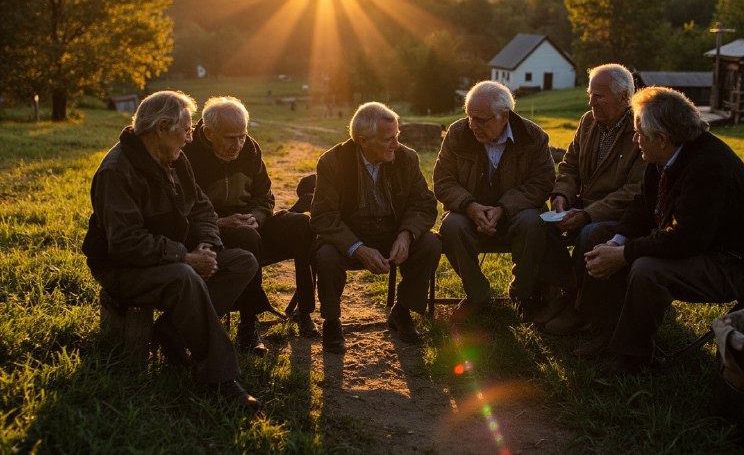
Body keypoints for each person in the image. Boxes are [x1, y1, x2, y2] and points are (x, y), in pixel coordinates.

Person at [82, 90, 260, 411]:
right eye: (187, 130)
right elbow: (124, 243)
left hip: (167, 259)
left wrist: (206, 246)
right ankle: (220, 378)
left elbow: (202, 210)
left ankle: (171, 331)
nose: (190, 139)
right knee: (183, 277)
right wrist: (185, 257)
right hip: (122, 270)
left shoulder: (174, 158)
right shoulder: (117, 171)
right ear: (162, 127)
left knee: (242, 262)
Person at [580, 87, 744, 374]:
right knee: (598, 236)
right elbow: (642, 207)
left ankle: (632, 360)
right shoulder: (660, 156)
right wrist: (616, 241)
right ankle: (606, 331)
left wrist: (623, 254)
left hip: (731, 264)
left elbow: (686, 240)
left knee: (648, 269)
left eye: (639, 134)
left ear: (662, 138)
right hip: (697, 247)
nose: (635, 140)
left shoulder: (710, 167)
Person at [183, 96, 318, 356]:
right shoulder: (188, 155)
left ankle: (304, 311)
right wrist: (221, 223)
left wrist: (257, 216)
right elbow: (183, 211)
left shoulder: (250, 149)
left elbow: (264, 196)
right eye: (231, 138)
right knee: (247, 236)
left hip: (250, 221)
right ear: (209, 133)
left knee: (302, 226)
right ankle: (249, 324)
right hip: (210, 229)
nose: (239, 144)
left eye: (243, 135)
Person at [310, 102, 441, 354]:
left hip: (393, 233)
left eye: (397, 136)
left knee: (430, 243)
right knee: (326, 255)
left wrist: (406, 234)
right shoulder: (332, 162)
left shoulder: (407, 158)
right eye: (388, 139)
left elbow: (423, 203)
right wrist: (357, 248)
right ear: (363, 140)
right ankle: (332, 321)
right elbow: (323, 217)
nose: (396, 144)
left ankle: (401, 311)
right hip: (351, 235)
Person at [433, 80, 555, 323]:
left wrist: (503, 209)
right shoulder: (457, 134)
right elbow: (443, 180)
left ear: (504, 116)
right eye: (469, 117)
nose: (473, 125)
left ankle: (523, 294)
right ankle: (478, 296)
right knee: (451, 226)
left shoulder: (533, 137)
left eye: (481, 119)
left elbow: (542, 183)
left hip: (515, 217)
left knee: (533, 221)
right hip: (469, 216)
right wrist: (470, 206)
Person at [540, 64, 646, 334]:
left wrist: (588, 214)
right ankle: (561, 292)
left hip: (618, 215)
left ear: (624, 97)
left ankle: (580, 308)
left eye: (599, 96)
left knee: (590, 233)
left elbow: (635, 191)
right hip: (582, 204)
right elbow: (570, 166)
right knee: (540, 221)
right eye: (590, 95)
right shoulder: (588, 121)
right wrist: (562, 196)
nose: (591, 102)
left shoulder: (640, 130)